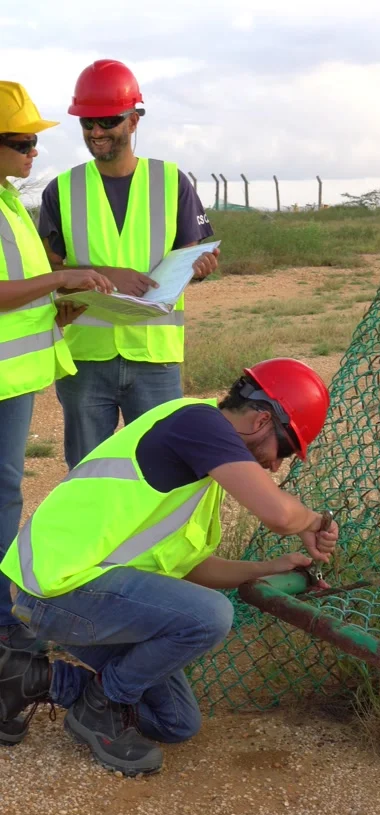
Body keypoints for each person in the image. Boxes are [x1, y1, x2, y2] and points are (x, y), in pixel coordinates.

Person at [0, 358, 338, 772]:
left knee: (175, 722)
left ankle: (31, 679)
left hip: (81, 593)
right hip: (52, 589)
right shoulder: (197, 424)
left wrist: (264, 568)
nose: (274, 465)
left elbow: (190, 568)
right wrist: (314, 522)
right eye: (284, 450)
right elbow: (281, 516)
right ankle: (102, 705)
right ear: (262, 419)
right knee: (212, 615)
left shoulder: (201, 469)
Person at [39, 58, 219, 471]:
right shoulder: (61, 190)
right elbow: (46, 273)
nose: (96, 132)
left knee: (160, 472)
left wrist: (202, 263)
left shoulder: (172, 181)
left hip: (154, 357)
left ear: (134, 120)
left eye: (107, 121)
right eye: (87, 124)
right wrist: (103, 277)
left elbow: (193, 253)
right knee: (86, 475)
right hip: (87, 357)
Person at [0, 81, 113, 666]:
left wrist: (55, 312)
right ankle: (4, 621)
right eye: (21, 142)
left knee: (6, 492)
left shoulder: (10, 200)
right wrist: (58, 280)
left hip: (14, 380)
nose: (33, 152)